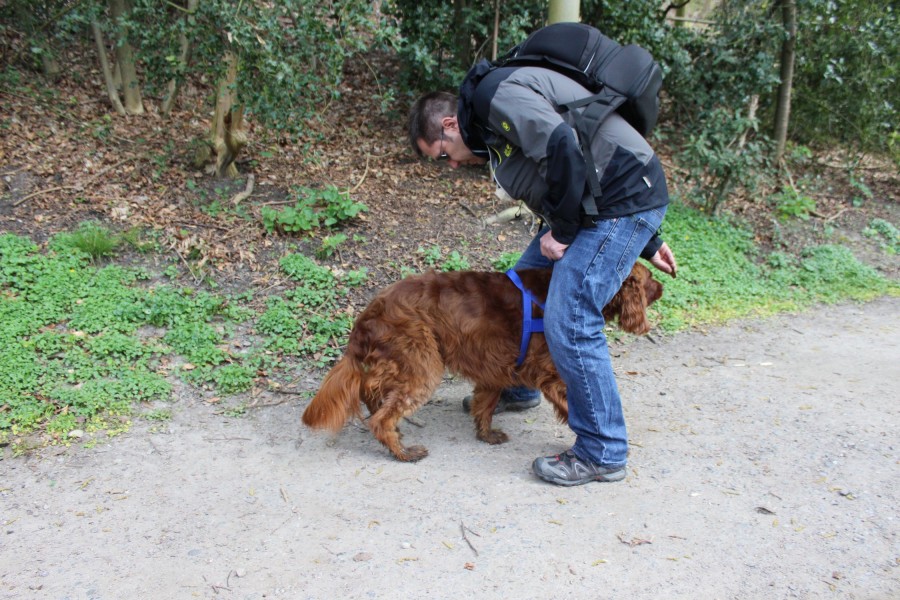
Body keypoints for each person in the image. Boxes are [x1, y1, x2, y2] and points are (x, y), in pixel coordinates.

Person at [407, 63, 677, 486]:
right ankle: (516, 385)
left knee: (571, 319)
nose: (451, 165)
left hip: (619, 201)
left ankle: (603, 450)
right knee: (514, 293)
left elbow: (564, 145)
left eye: (442, 155)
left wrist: (565, 232)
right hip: (610, 202)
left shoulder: (497, 98)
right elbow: (558, 173)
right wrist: (644, 239)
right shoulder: (490, 130)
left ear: (450, 125)